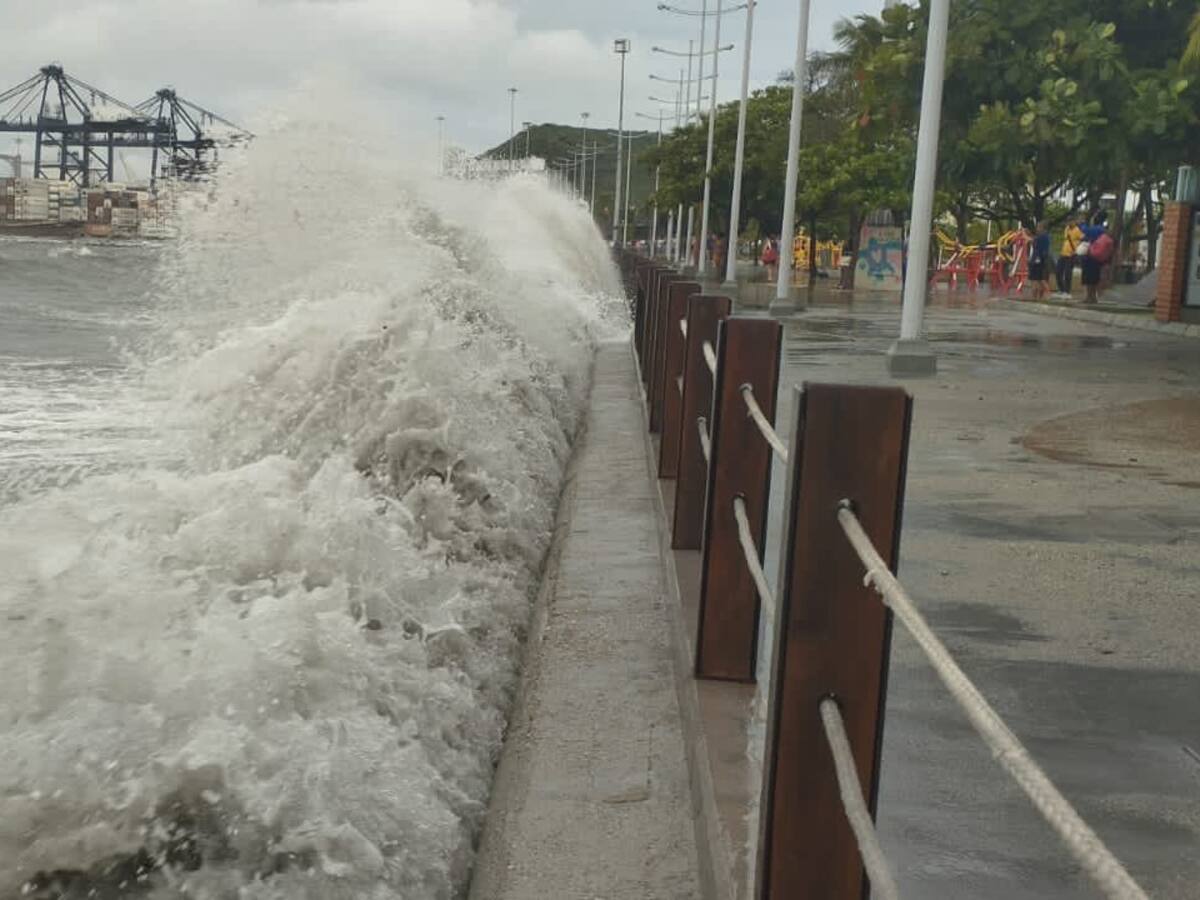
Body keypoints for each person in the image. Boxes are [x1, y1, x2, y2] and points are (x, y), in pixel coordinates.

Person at [1079, 212, 1110, 304]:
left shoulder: (1093, 229)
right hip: (1100, 256)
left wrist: (1082, 223)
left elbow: (1084, 231)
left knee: (1088, 278)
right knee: (1095, 277)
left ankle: (1089, 297)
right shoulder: (1104, 230)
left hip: (1090, 255)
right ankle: (1094, 297)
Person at [1055, 218, 1083, 297]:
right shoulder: (1067, 229)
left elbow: (1082, 239)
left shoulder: (1077, 230)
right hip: (1063, 252)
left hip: (1071, 254)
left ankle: (1067, 291)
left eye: (1071, 221)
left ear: (1074, 222)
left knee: (1068, 272)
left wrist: (1077, 248)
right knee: (1058, 271)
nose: (1069, 223)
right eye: (1068, 221)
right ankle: (1061, 289)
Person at [1029, 220, 1052, 301]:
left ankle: (1035, 296)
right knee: (1039, 279)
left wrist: (1024, 235)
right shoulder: (1047, 237)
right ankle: (1040, 297)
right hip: (1041, 260)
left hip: (1037, 260)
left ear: (1043, 228)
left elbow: (1032, 242)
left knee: (1036, 280)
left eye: (1039, 227)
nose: (1037, 229)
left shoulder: (1042, 237)